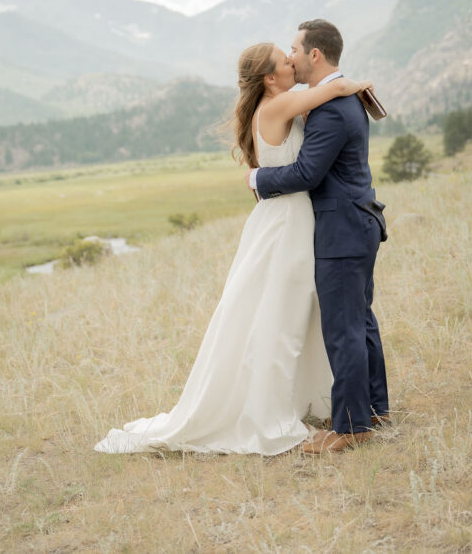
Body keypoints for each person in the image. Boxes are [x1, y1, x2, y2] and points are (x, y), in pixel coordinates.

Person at [94, 41, 371, 455]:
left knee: (282, 313)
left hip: (287, 218)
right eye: (284, 61)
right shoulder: (279, 105)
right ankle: (266, 413)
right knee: (280, 318)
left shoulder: (277, 106)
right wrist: (359, 84)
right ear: (269, 78)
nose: (291, 62)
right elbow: (333, 89)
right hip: (287, 222)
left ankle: (292, 398)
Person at [249, 19, 389, 454]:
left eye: (294, 49)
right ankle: (374, 408)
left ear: (314, 54)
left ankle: (352, 427)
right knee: (360, 320)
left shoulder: (331, 107)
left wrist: (257, 179)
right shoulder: (339, 97)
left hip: (341, 228)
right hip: (358, 221)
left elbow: (308, 173)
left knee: (343, 328)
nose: (291, 57)